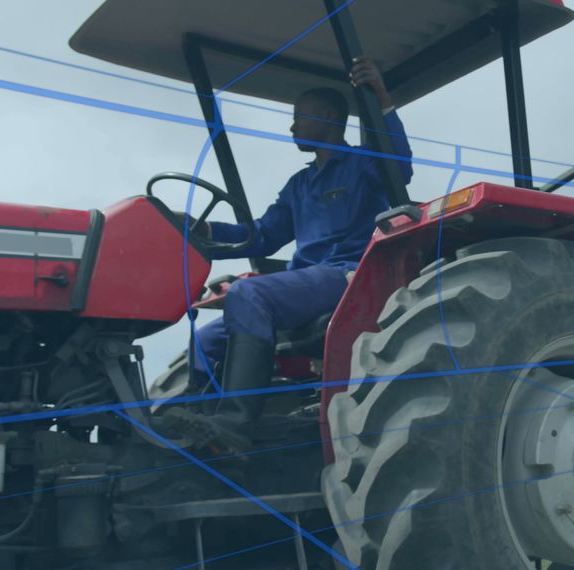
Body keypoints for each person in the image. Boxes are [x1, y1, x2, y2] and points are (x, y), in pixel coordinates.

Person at [164, 57, 413, 453]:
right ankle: (175, 425)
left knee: (248, 294)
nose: (293, 126)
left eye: (301, 117)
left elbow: (398, 164)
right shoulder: (300, 184)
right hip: (308, 281)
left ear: (329, 117)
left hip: (348, 274)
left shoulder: (364, 164)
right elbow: (261, 236)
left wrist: (381, 99)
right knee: (207, 339)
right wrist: (203, 228)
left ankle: (234, 426)